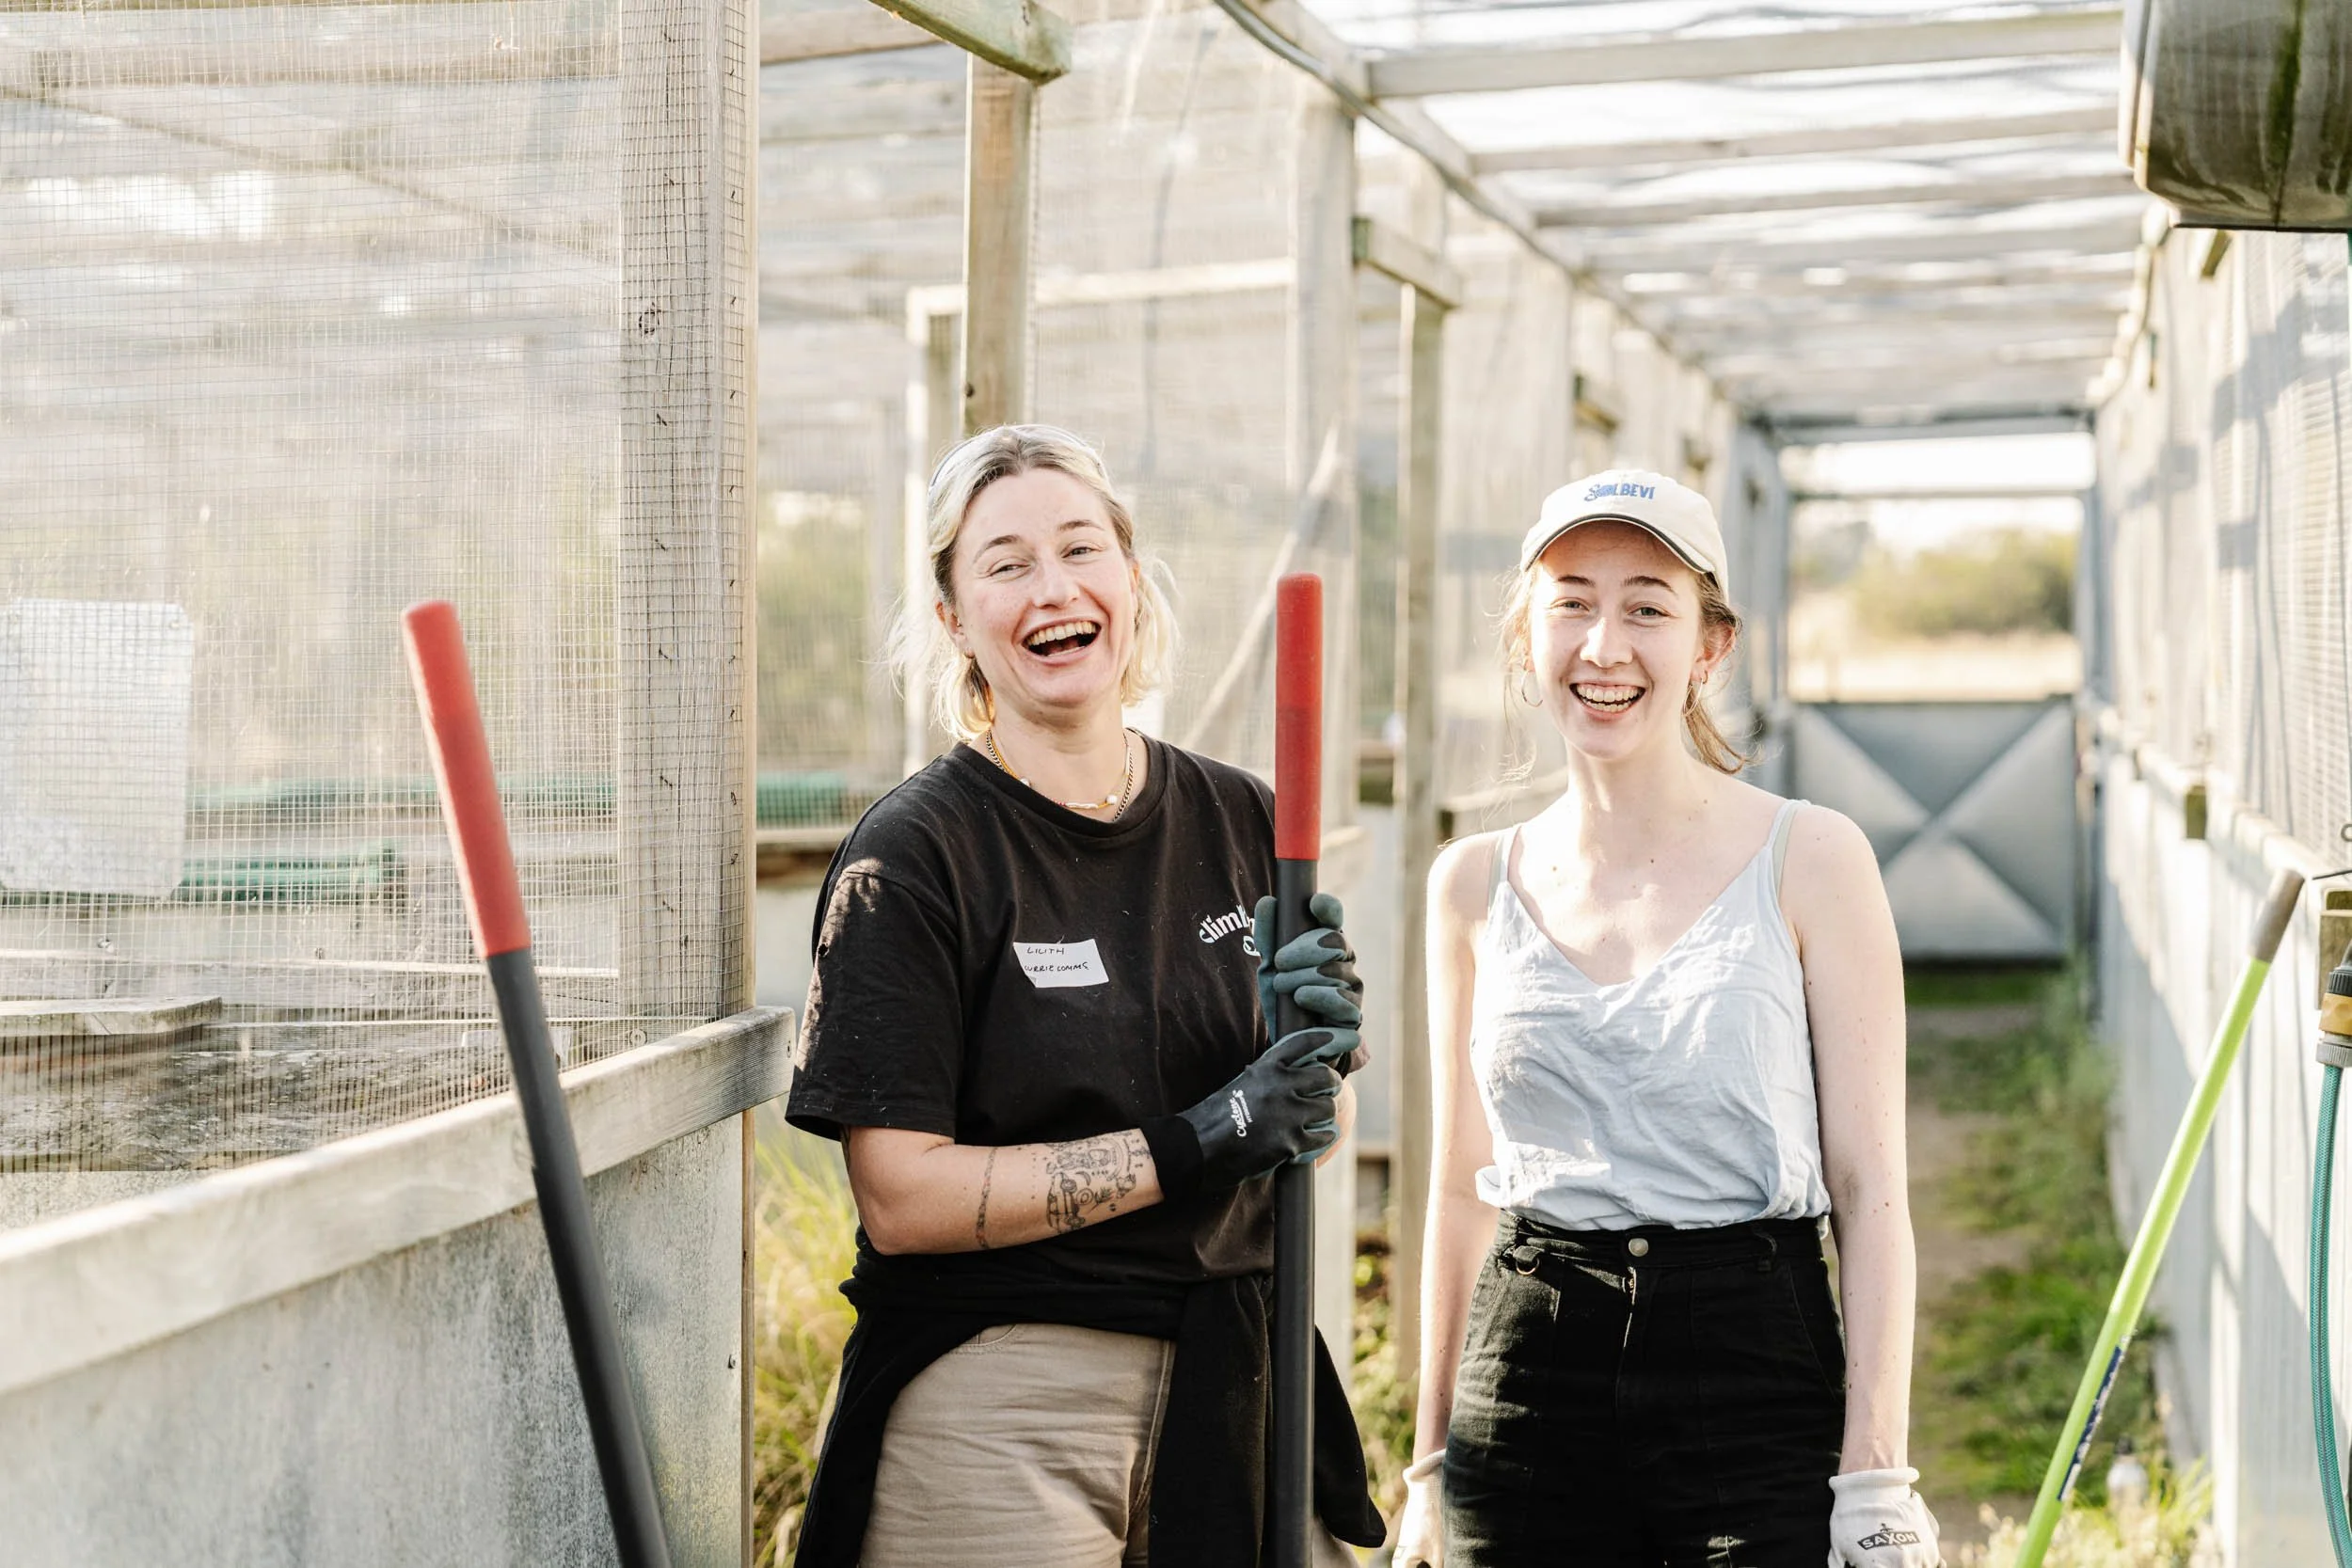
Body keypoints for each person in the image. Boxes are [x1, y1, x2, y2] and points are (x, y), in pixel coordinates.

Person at [784, 423, 1385, 1568]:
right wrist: (1201, 1134)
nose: (1053, 588)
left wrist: (1308, 1055)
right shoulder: (914, 857)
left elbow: (1311, 1127)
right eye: (1005, 563)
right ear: (955, 616)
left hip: (1239, 1368)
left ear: (1129, 575)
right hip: (1006, 1389)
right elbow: (901, 1194)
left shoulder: (1244, 820)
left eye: (1080, 548)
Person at [1391, 470, 1942, 1568]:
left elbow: (1871, 1188)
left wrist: (1874, 1472)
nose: (1604, 645)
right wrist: (1427, 1469)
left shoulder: (1811, 858)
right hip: (1528, 1362)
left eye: (1646, 605)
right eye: (1570, 601)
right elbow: (1458, 1189)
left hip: (1749, 1358)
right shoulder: (1469, 884)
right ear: (1526, 636)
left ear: (1708, 646)